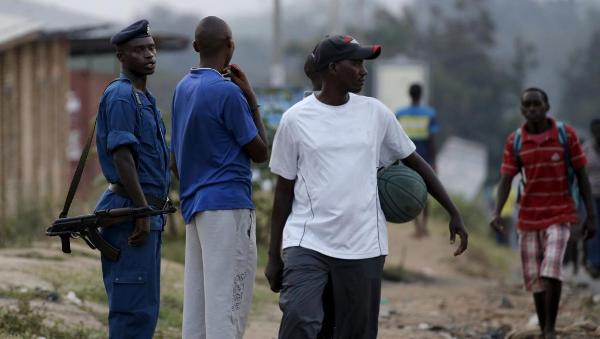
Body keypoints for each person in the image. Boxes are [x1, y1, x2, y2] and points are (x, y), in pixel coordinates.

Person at [265, 35, 468, 339]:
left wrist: (453, 211)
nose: (364, 70)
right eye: (356, 63)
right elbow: (283, 191)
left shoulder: (376, 113)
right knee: (300, 322)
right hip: (308, 242)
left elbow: (415, 162)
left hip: (363, 245)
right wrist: (272, 255)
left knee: (354, 333)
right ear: (333, 68)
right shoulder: (295, 119)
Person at [170, 16, 268, 339]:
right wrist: (250, 97)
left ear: (196, 47)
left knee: (198, 313)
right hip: (228, 209)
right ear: (231, 46)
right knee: (227, 311)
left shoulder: (182, 89)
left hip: (195, 208)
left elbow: (174, 159)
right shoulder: (229, 94)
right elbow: (260, 151)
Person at [490, 88, 596, 339]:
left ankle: (550, 329)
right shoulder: (515, 141)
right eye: (527, 105)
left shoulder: (565, 135)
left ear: (547, 107)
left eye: (537, 104)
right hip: (527, 217)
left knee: (551, 269)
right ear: (522, 110)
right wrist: (497, 212)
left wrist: (591, 216)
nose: (533, 109)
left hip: (560, 214)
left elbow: (582, 176)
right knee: (535, 278)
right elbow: (506, 179)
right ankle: (542, 326)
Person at [94, 19, 170, 338]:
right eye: (139, 50)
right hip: (130, 213)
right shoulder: (123, 95)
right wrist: (140, 211)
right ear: (122, 57)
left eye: (151, 48)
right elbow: (122, 157)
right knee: (132, 310)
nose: (149, 55)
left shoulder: (144, 98)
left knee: (144, 310)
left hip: (145, 213)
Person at [395, 83, 439, 237]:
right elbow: (432, 140)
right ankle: (425, 226)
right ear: (421, 95)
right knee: (426, 192)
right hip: (424, 158)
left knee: (410, 192)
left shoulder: (400, 113)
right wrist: (434, 161)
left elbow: (396, 138)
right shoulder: (430, 114)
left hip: (406, 158)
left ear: (409, 94)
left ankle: (417, 226)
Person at [584, 118, 600, 277]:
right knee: (593, 228)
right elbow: (580, 171)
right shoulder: (586, 149)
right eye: (595, 129)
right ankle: (594, 263)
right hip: (591, 196)